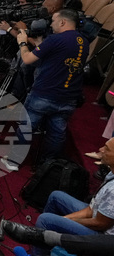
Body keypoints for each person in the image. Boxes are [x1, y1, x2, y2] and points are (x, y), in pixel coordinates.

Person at [17, 9, 87, 160]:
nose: (51, 24)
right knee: (57, 132)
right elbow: (56, 57)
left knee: (26, 127)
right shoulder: (84, 41)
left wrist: (22, 42)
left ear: (62, 22)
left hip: (44, 93)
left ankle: (14, 160)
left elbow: (27, 59)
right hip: (68, 97)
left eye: (54, 21)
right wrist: (39, 43)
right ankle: (48, 163)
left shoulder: (55, 39)